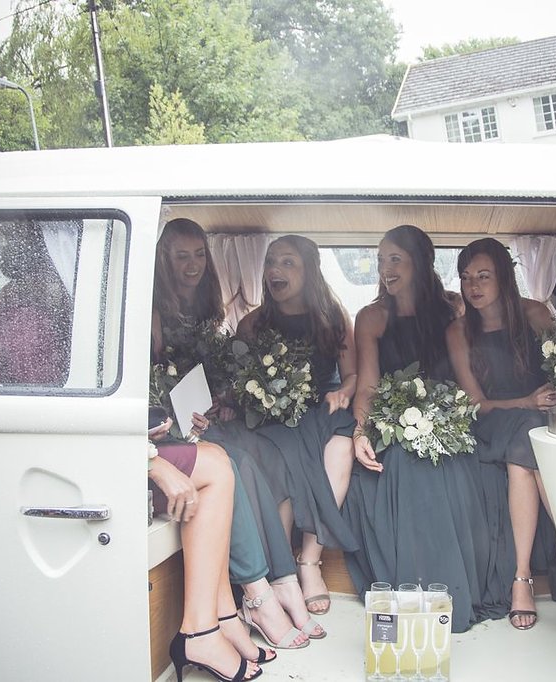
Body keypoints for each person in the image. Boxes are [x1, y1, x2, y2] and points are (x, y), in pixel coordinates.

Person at [151, 218, 316, 650]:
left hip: (205, 419)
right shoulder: (151, 312)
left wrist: (221, 400)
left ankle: (284, 581)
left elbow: (214, 375)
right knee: (237, 463)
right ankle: (258, 592)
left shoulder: (209, 309)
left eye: (200, 254)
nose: (193, 265)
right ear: (164, 259)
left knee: (263, 453)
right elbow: (150, 386)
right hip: (169, 430)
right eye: (181, 255)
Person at [342, 224, 498, 634]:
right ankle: (411, 598)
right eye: (380, 260)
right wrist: (360, 434)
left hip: (447, 419)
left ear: (420, 262)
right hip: (391, 423)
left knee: (452, 467)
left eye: (395, 259)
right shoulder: (371, 317)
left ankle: (449, 593)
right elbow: (369, 387)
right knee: (404, 468)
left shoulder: (453, 309)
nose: (385, 269)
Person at [446, 238, 556, 631]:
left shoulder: (535, 314)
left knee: (527, 446)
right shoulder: (457, 332)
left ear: (504, 277)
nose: (474, 286)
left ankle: (522, 576)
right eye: (467, 278)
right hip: (493, 419)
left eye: (484, 276)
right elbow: (475, 403)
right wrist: (526, 402)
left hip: (539, 420)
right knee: (527, 433)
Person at [235, 235, 359, 618]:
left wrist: (343, 394)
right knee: (282, 453)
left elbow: (353, 375)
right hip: (273, 415)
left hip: (322, 402)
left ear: (309, 272)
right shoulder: (252, 323)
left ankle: (310, 561)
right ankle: (281, 571)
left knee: (341, 443)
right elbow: (238, 381)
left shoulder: (332, 317)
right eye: (271, 262)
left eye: (288, 263)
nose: (275, 270)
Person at [147, 436, 262, 682]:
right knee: (214, 469)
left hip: (122, 447)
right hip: (101, 457)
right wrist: (153, 463)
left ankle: (223, 615)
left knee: (218, 455)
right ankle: (199, 632)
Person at [0, 223, 72, 385]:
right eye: (46, 276)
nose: (46, 283)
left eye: (50, 277)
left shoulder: (8, 301)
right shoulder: (13, 307)